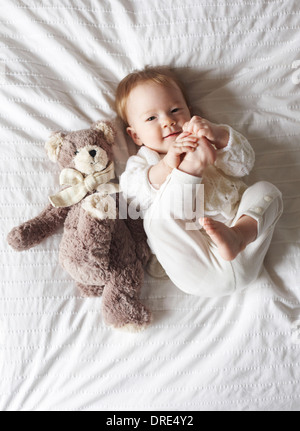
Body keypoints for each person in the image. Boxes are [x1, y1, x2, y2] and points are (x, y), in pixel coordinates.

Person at [117, 66, 283, 297]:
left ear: (190, 112)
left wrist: (219, 135)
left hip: (243, 252)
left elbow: (244, 165)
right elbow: (132, 197)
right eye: (152, 118)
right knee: (157, 220)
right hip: (195, 265)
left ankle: (238, 235)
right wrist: (168, 165)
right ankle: (191, 168)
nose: (168, 121)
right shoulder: (144, 162)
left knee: (267, 191)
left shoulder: (208, 140)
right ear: (135, 135)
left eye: (175, 110)